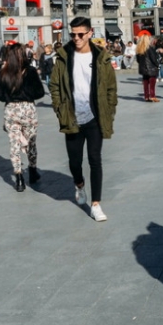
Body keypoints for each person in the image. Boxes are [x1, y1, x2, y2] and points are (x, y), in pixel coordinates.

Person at [49, 17, 118, 222]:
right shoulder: (63, 56)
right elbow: (54, 86)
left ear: (90, 33)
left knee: (95, 159)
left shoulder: (101, 57)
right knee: (74, 162)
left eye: (81, 34)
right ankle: (79, 184)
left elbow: (111, 88)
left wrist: (109, 110)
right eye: (73, 34)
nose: (76, 38)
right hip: (72, 117)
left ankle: (96, 204)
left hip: (95, 117)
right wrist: (59, 108)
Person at [0, 43, 45, 192]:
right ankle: (32, 170)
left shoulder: (4, 72)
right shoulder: (30, 71)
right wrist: (26, 94)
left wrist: (10, 96)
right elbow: (40, 92)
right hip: (27, 109)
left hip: (11, 110)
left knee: (14, 144)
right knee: (31, 142)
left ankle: (18, 178)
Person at [135, 32, 160, 102]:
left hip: (143, 68)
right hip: (151, 68)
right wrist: (157, 65)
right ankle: (152, 96)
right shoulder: (149, 48)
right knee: (152, 83)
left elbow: (138, 60)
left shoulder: (138, 49)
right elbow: (153, 59)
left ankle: (146, 96)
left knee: (145, 83)